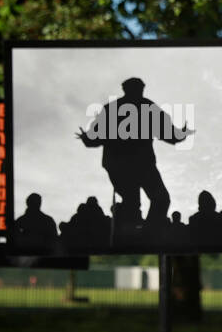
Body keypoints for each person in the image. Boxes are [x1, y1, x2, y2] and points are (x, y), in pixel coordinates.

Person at [75, 77, 194, 235]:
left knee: (137, 202)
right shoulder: (145, 107)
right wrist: (180, 135)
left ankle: (136, 232)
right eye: (139, 88)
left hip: (121, 165)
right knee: (156, 200)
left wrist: (87, 138)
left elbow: (95, 138)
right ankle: (144, 233)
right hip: (138, 165)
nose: (140, 92)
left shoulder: (113, 109)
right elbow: (168, 133)